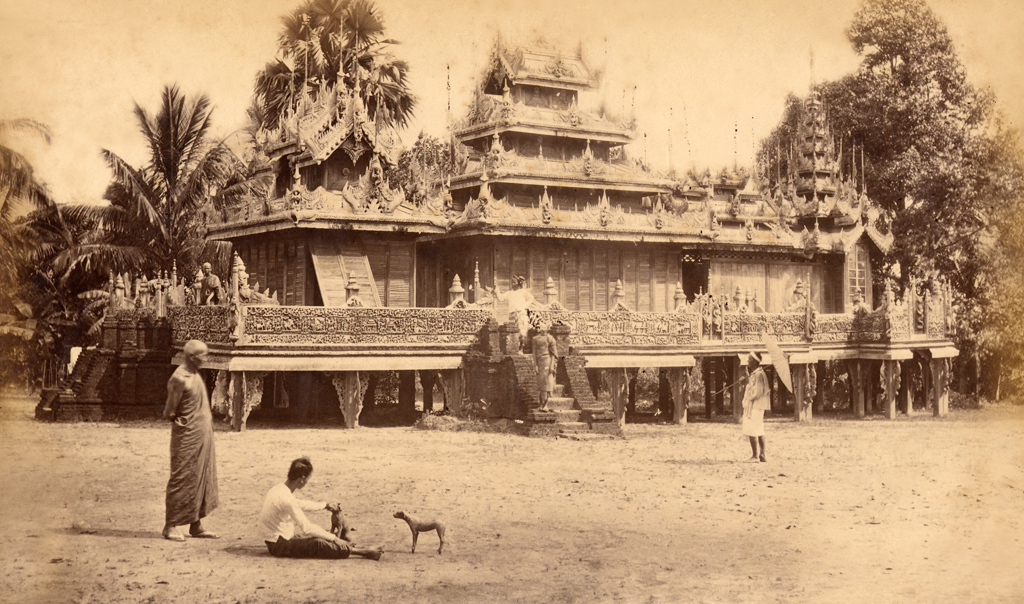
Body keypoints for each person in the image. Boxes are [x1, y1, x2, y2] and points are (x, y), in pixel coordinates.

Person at [258, 457, 384, 560]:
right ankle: (364, 552)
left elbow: (299, 504)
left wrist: (325, 505)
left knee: (323, 535)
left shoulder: (278, 489)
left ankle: (348, 546)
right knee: (318, 543)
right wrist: (335, 538)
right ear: (302, 478)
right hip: (279, 545)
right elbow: (307, 528)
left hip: (277, 539)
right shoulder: (287, 499)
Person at [162, 339, 219, 541]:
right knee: (182, 478)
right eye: (203, 355)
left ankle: (196, 524)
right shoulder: (179, 378)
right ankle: (170, 525)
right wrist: (187, 423)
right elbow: (169, 412)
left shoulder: (195, 374)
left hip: (202, 435)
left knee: (200, 477)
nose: (206, 358)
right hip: (187, 436)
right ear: (191, 357)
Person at [741, 351, 770, 463]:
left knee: (753, 429)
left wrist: (747, 385)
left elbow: (757, 392)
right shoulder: (756, 373)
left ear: (754, 362)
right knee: (759, 429)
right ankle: (762, 454)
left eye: (749, 359)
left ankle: (755, 456)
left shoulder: (758, 374)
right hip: (755, 406)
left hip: (756, 406)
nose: (748, 361)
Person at [495, 276, 536, 350]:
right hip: (512, 314)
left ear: (518, 283)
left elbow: (531, 298)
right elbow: (500, 298)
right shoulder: (509, 293)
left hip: (521, 313)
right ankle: (514, 348)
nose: (512, 284)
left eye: (514, 282)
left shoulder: (523, 292)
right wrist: (497, 289)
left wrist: (525, 305)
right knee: (513, 330)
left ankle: (521, 348)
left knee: (522, 331)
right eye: (512, 282)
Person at [531, 322, 558, 410]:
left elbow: (553, 354)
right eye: (540, 328)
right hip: (539, 362)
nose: (542, 330)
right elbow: (534, 353)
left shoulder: (550, 338)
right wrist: (535, 365)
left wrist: (552, 366)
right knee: (541, 384)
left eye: (543, 328)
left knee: (547, 383)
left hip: (547, 361)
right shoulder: (535, 339)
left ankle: (545, 404)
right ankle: (541, 404)